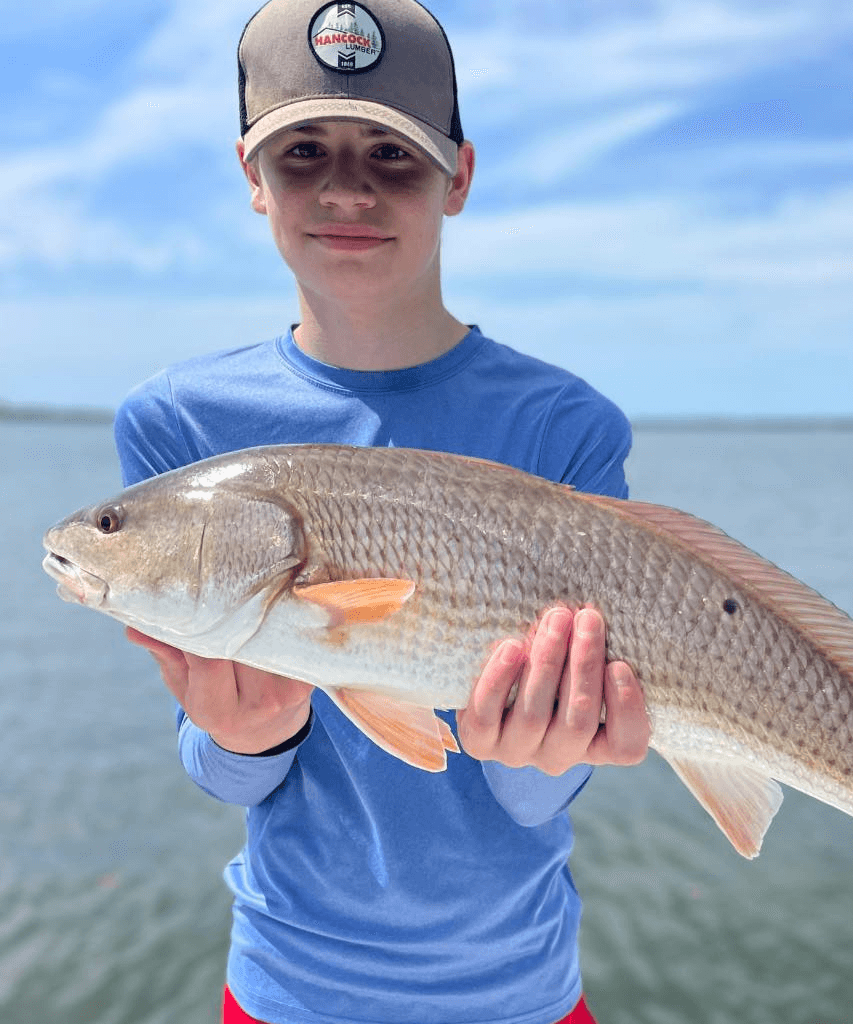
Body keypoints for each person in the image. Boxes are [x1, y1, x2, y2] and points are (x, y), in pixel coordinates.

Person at [113, 2, 651, 1022]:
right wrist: (248, 738)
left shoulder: (568, 423)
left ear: (460, 175)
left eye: (393, 154)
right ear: (249, 176)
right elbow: (225, 772)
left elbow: (536, 796)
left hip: (524, 991)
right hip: (288, 987)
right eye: (303, 150)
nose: (347, 188)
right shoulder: (179, 421)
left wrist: (545, 748)